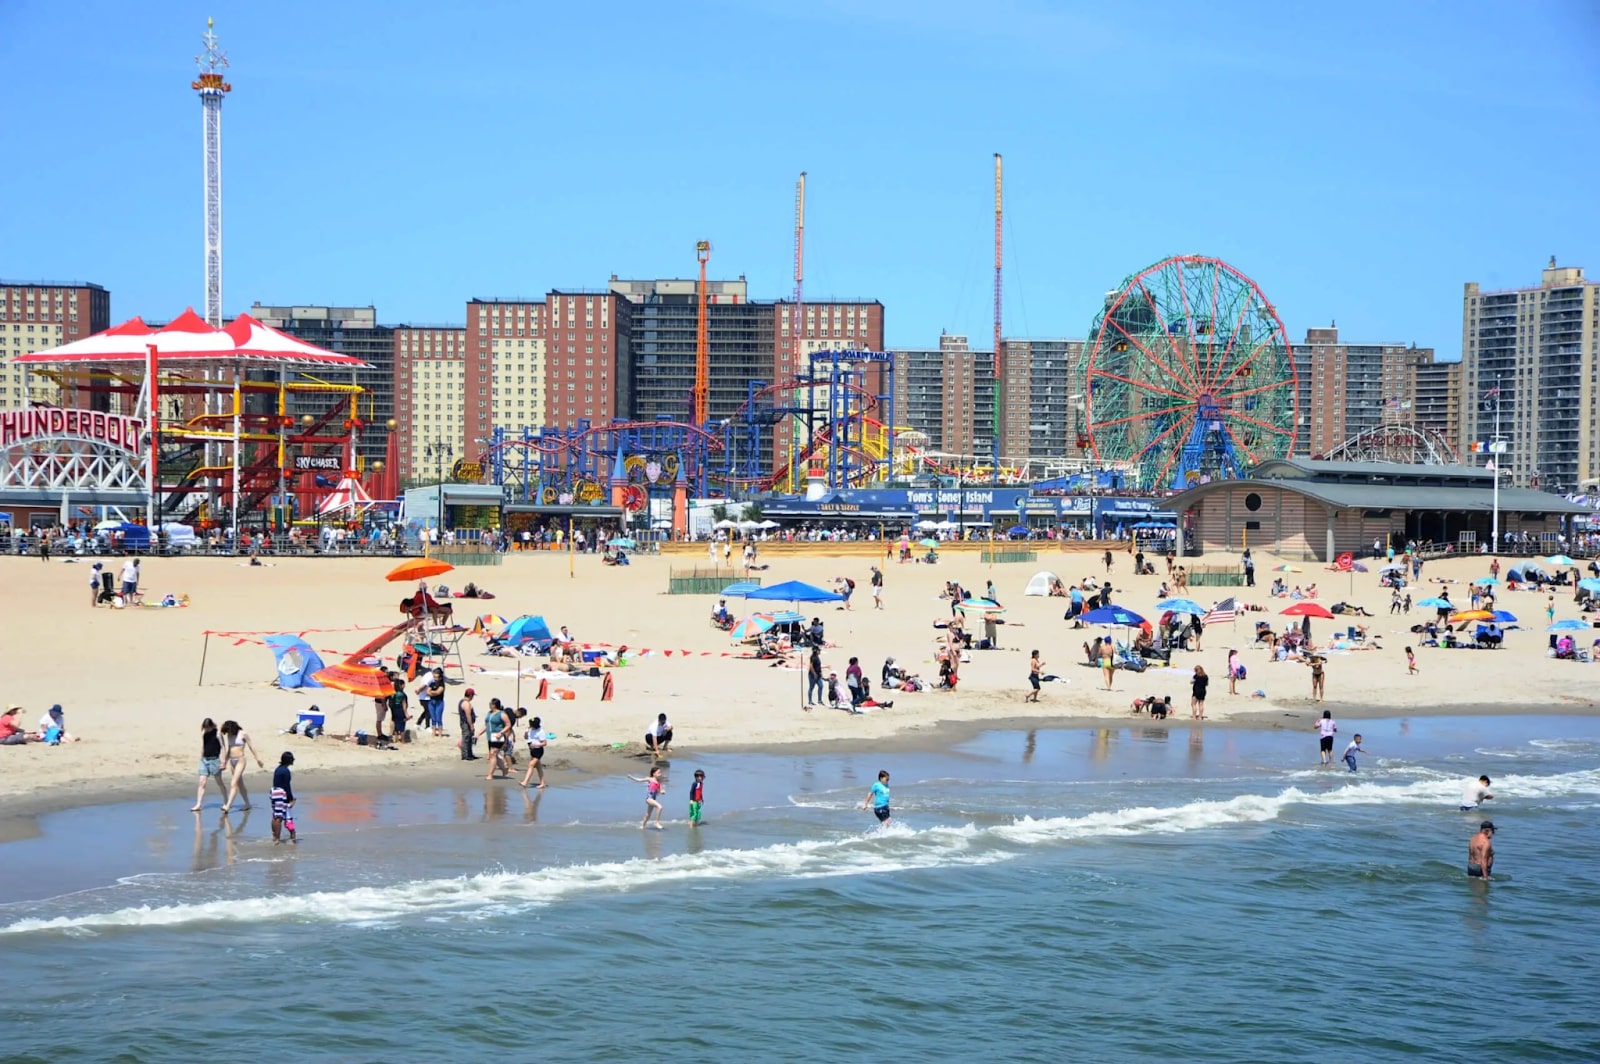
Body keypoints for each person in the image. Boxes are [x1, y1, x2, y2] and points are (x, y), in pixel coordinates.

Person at [219, 719, 263, 813]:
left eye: (229, 731)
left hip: (240, 760)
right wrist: (225, 762)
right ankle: (247, 803)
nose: (228, 733)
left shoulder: (243, 734)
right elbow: (229, 750)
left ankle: (228, 806)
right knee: (240, 784)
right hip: (232, 761)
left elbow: (252, 746)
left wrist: (258, 759)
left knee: (233, 783)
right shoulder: (229, 736)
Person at [190, 717, 229, 809]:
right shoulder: (204, 733)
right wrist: (201, 756)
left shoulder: (218, 734)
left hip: (215, 760)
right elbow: (203, 745)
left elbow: (223, 748)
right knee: (202, 782)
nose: (206, 729)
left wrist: (224, 762)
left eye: (207, 727)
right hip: (204, 760)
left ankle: (226, 801)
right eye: (205, 727)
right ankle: (198, 804)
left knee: (219, 782)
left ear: (211, 726)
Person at [479, 698, 511, 780]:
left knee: (493, 753)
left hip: (498, 736)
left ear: (494, 705)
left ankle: (490, 775)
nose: (489, 704)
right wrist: (478, 734)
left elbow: (508, 725)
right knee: (494, 755)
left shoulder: (501, 714)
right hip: (490, 737)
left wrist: (501, 733)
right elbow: (486, 725)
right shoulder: (489, 713)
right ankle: (504, 769)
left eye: (490, 703)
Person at [270, 751, 297, 844]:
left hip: (274, 791)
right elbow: (286, 786)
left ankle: (274, 836)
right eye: (292, 759)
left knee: (275, 815)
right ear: (289, 760)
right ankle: (277, 839)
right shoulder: (286, 771)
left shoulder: (278, 769)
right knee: (279, 817)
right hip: (280, 793)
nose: (293, 760)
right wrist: (291, 798)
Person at [519, 714, 547, 789]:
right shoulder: (530, 729)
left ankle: (525, 782)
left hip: (538, 750)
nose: (530, 726)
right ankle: (542, 783)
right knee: (538, 767)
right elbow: (526, 737)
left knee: (531, 765)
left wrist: (535, 744)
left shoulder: (541, 732)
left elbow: (544, 743)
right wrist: (525, 732)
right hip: (532, 750)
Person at [423, 668, 446, 738]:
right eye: (434, 677)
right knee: (433, 718)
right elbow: (427, 692)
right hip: (431, 702)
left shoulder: (442, 684)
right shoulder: (432, 683)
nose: (435, 679)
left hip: (439, 702)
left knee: (438, 718)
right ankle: (433, 732)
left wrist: (432, 693)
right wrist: (432, 693)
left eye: (436, 677)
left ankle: (440, 733)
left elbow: (438, 692)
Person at [387, 676, 411, 743]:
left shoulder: (393, 693)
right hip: (400, 710)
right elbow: (404, 705)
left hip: (394, 710)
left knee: (396, 725)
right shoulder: (402, 694)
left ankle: (396, 739)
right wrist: (407, 714)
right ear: (401, 685)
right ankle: (403, 740)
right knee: (402, 726)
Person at [458, 688, 478, 761]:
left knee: (469, 738)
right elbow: (468, 715)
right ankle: (466, 755)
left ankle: (469, 754)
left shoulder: (463, 702)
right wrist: (471, 725)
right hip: (466, 723)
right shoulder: (466, 703)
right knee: (466, 738)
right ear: (470, 695)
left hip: (464, 723)